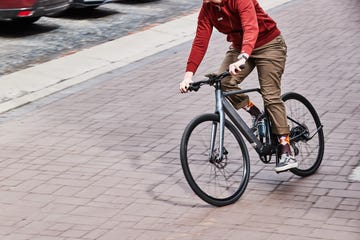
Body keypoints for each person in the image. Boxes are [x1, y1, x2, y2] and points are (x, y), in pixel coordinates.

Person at [179, 0, 298, 173]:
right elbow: (200, 40)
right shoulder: (208, 9)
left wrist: (243, 58)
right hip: (240, 47)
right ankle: (256, 113)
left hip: (269, 44)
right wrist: (188, 75)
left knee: (270, 95)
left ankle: (285, 147)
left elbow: (251, 27)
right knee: (223, 82)